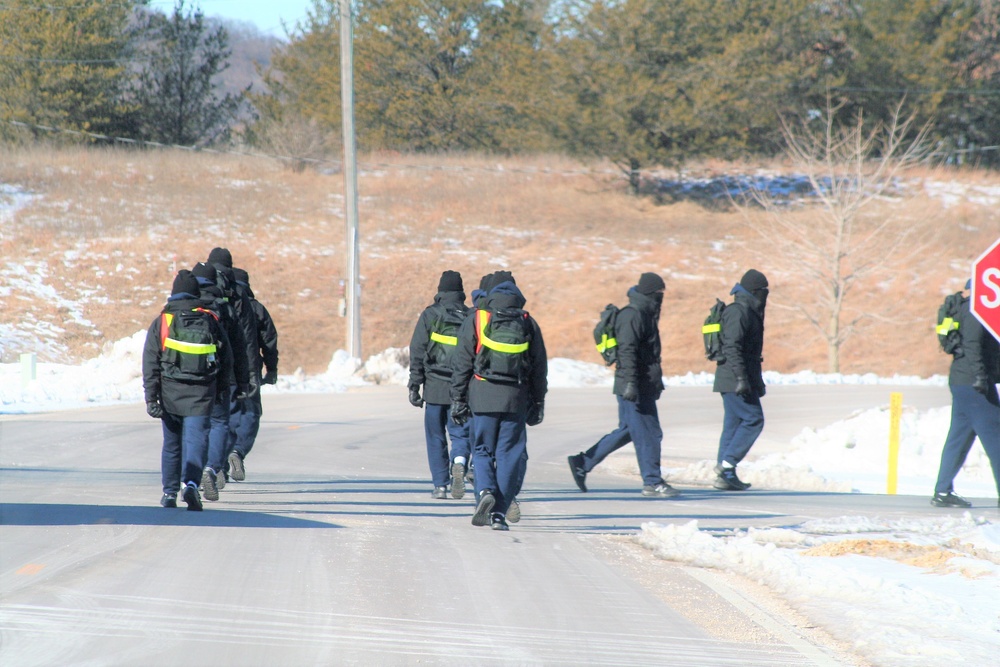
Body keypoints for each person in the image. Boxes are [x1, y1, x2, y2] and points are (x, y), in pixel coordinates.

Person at [567, 272, 678, 498]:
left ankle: (583, 462)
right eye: (659, 294)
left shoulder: (645, 313)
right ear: (650, 293)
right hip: (634, 385)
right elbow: (627, 351)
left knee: (629, 430)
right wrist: (630, 384)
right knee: (649, 433)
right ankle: (652, 482)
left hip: (641, 383)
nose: (661, 298)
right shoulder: (633, 315)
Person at [451, 273, 547, 530]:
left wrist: (458, 398)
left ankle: (484, 493)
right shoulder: (527, 322)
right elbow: (539, 368)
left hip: (482, 395)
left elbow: (462, 363)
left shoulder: (478, 318)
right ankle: (499, 514)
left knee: (482, 449)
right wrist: (538, 403)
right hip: (516, 398)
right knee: (510, 455)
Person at [142, 269, 232, 511]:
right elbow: (227, 358)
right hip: (202, 393)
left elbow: (150, 362)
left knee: (172, 444)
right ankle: (191, 484)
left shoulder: (163, 321)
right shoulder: (209, 320)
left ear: (173, 294)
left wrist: (151, 397)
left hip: (170, 393)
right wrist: (222, 391)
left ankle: (169, 493)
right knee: (196, 441)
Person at [932, 280, 1000, 508]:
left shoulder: (967, 308)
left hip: (963, 381)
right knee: (996, 438)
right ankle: (942, 490)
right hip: (974, 383)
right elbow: (972, 345)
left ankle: (942, 491)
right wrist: (981, 377)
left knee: (959, 438)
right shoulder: (975, 311)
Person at [408, 270, 472, 499]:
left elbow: (417, 350)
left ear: (440, 291)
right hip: (462, 389)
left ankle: (440, 485)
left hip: (434, 387)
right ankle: (460, 461)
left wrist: (414, 384)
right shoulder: (471, 316)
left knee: (435, 437)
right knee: (460, 434)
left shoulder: (430, 315)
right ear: (461, 292)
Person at [192, 261, 249, 502]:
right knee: (219, 425)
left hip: (186, 383)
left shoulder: (177, 309)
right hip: (221, 379)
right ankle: (213, 468)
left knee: (192, 430)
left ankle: (183, 483)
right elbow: (240, 347)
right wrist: (243, 381)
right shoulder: (225, 308)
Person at [712, 269, 768, 491]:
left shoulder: (750, 310)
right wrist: (741, 379)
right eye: (763, 291)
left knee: (734, 424)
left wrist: (757, 382)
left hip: (740, 377)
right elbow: (732, 347)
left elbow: (751, 353)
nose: (765, 295)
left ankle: (726, 474)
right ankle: (727, 464)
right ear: (755, 291)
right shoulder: (739, 311)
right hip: (734, 378)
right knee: (754, 419)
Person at [206, 247, 259, 483]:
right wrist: (251, 374)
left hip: (202, 369)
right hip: (234, 370)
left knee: (204, 422)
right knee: (238, 416)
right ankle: (233, 454)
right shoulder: (241, 297)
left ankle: (205, 470)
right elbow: (249, 339)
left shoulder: (199, 290)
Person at [230, 267, 280, 471]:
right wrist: (272, 369)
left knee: (223, 415)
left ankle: (217, 463)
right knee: (250, 413)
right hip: (251, 369)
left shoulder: (222, 305)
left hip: (223, 370)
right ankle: (238, 450)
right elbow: (269, 342)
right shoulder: (257, 308)